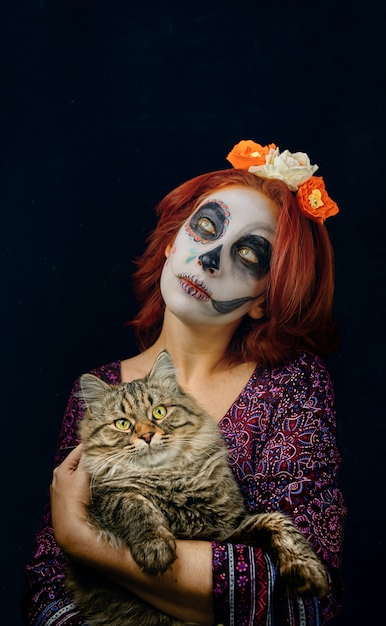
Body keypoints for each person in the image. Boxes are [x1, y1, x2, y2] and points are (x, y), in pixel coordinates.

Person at [21, 140, 347, 626]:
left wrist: (85, 541)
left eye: (249, 255)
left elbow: (301, 595)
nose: (211, 260)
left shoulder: (290, 385)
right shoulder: (98, 389)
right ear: (175, 241)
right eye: (206, 228)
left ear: (264, 298)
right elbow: (50, 585)